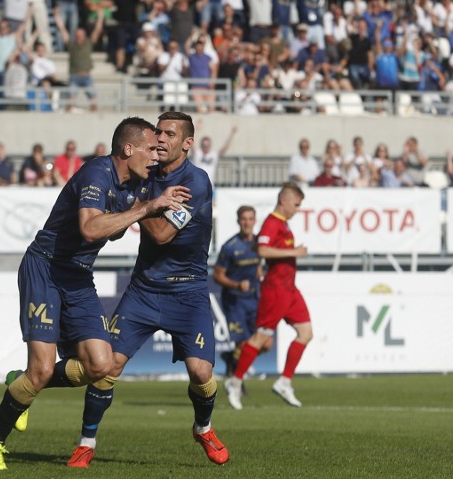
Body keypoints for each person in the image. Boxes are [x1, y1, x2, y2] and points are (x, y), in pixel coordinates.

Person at [0, 116, 191, 470]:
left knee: (100, 365)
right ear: (128, 148)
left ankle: (22, 383)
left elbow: (116, 231)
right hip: (45, 268)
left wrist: (147, 210)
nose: (156, 155)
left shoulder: (135, 185)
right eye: (151, 148)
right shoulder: (96, 173)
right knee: (42, 370)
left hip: (77, 276)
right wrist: (146, 209)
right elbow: (91, 229)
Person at [62, 111, 227, 468]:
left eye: (170, 134)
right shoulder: (143, 174)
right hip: (145, 289)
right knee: (108, 367)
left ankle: (203, 427)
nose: (161, 140)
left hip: (189, 291)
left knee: (201, 373)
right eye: (158, 133)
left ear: (187, 143)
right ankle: (86, 442)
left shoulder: (196, 182)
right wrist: (141, 204)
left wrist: (139, 206)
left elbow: (163, 234)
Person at [225, 182, 312, 410]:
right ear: (284, 201)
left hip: (290, 289)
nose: (297, 209)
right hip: (275, 290)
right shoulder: (272, 223)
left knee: (306, 333)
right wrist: (294, 252)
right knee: (260, 337)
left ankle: (284, 381)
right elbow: (263, 250)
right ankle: (235, 382)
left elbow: (258, 248)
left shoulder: (284, 224)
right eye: (296, 204)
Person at [214, 205, 263, 376]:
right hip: (235, 301)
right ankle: (237, 381)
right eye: (244, 219)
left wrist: (259, 272)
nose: (247, 223)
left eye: (250, 219)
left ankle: (231, 359)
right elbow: (217, 276)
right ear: (238, 221)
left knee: (265, 343)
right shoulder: (230, 246)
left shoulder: (259, 243)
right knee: (243, 344)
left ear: (255, 221)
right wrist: (237, 285)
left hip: (254, 299)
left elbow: (258, 265)